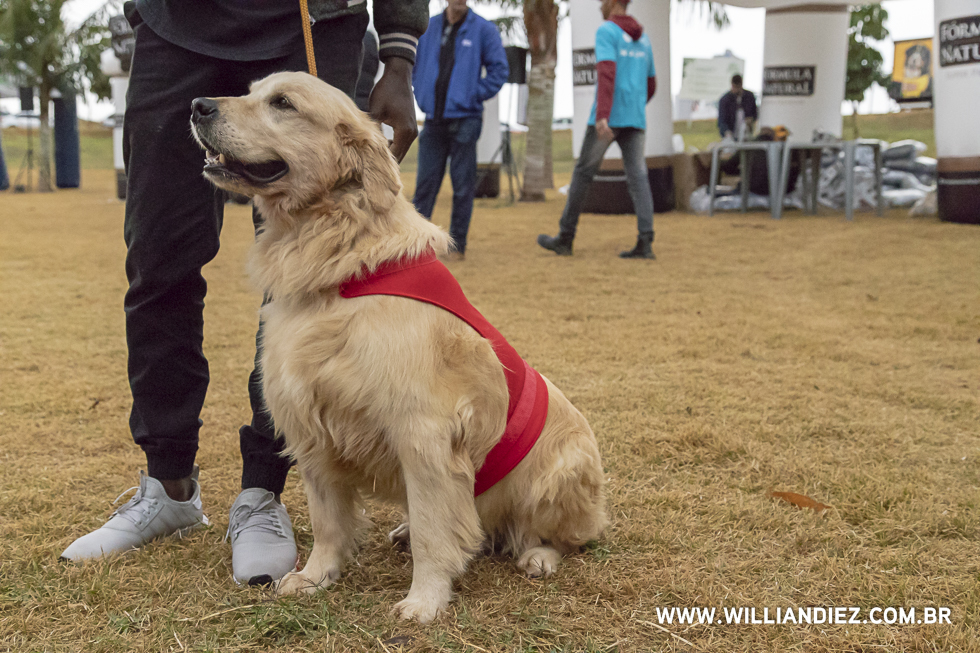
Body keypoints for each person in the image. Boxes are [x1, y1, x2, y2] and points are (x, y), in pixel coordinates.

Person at [59, 0, 427, 587]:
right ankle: (168, 486)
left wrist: (399, 54)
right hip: (176, 29)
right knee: (157, 260)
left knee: (307, 272)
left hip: (311, 22)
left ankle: (262, 493)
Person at [537, 0, 657, 260]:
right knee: (638, 177)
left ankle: (565, 238)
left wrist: (603, 115)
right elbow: (651, 84)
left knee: (583, 174)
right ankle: (645, 241)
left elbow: (606, 72)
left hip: (608, 117)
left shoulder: (607, 31)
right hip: (635, 118)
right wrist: (635, 104)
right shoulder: (643, 38)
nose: (600, 5)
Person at [411, 0, 509, 261]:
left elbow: (500, 70)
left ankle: (457, 247)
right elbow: (413, 64)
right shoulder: (429, 27)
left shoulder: (484, 29)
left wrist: (473, 94)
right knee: (424, 186)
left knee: (463, 187)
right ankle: (415, 247)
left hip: (466, 120)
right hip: (433, 119)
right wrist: (419, 91)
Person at [717, 74, 757, 140]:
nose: (737, 90)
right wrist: (726, 131)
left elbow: (754, 114)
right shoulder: (725, 100)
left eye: (738, 87)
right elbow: (722, 120)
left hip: (745, 134)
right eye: (735, 87)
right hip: (730, 134)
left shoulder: (749, 97)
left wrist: (750, 120)